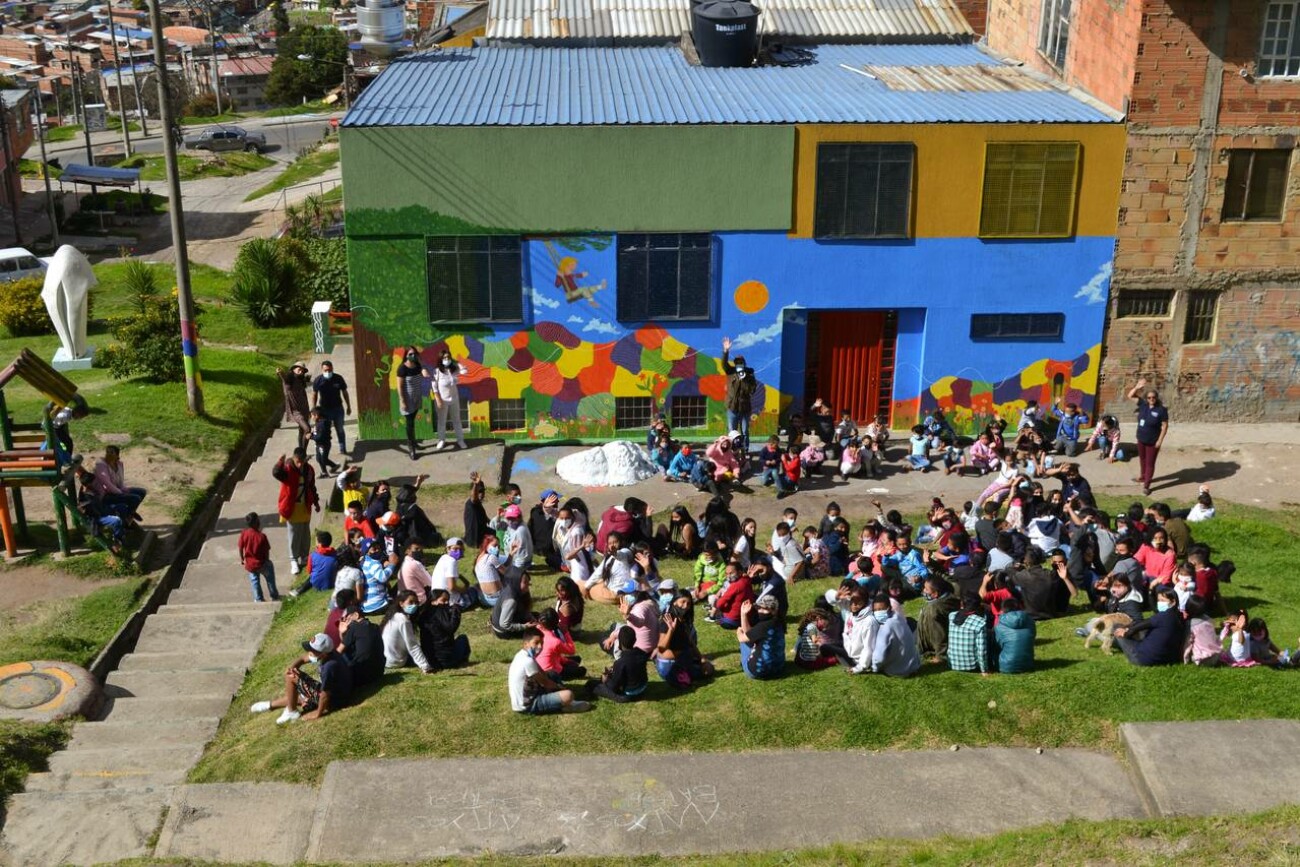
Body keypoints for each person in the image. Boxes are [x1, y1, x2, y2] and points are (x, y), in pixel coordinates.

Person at [249, 632, 354, 724]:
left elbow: (325, 695)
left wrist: (317, 714)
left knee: (291, 677)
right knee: (297, 687)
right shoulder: (330, 654)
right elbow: (303, 658)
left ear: (323, 653)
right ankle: (270, 705)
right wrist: (293, 667)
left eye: (313, 650)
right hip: (336, 694)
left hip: (334, 701)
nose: (310, 652)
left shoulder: (329, 667)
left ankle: (291, 712)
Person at [507, 627, 591, 715]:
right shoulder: (528, 661)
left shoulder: (522, 655)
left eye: (542, 643)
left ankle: (558, 699)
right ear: (526, 644)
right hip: (528, 704)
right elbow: (545, 683)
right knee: (568, 695)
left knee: (552, 673)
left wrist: (551, 681)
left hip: (529, 692)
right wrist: (559, 687)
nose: (540, 646)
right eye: (536, 643)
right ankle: (566, 705)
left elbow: (542, 672)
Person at [272, 449, 319, 576]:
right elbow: (276, 473)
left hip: (305, 506)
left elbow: (312, 487)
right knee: (293, 534)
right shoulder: (287, 470)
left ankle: (304, 556)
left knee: (305, 532)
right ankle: (293, 559)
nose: (300, 465)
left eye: (302, 462)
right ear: (293, 459)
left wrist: (316, 502)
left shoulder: (309, 470)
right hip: (291, 507)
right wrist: (280, 462)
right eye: (298, 462)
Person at [1114, 587, 1184, 666]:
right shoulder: (1178, 616)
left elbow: (1137, 627)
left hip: (1142, 659)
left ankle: (1115, 643)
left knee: (1117, 628)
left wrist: (1125, 633)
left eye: (1163, 601)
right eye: (1159, 600)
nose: (1160, 603)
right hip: (1167, 659)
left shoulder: (1162, 616)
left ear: (1173, 602)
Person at [1127, 378, 1169, 496]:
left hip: (1153, 441)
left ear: (1156, 398)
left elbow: (1165, 426)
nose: (1151, 399)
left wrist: (1160, 440)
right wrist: (1137, 387)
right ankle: (1143, 477)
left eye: (1153, 398)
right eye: (1149, 397)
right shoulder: (1143, 404)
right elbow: (1130, 395)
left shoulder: (1161, 410)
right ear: (1146, 398)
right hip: (1141, 438)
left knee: (1150, 463)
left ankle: (1147, 486)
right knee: (1142, 459)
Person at [586, 626, 648, 703]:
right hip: (643, 688)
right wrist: (615, 671)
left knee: (591, 684)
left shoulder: (620, 663)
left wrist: (605, 680)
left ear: (620, 642)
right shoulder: (641, 653)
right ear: (635, 640)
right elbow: (632, 668)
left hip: (628, 695)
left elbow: (613, 687)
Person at [720, 336, 757, 458]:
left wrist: (744, 379)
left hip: (745, 409)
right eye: (737, 363)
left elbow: (752, 391)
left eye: (741, 363)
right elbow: (723, 364)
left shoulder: (749, 376)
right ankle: (732, 451)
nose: (739, 365)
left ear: (744, 364)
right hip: (732, 408)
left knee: (745, 431)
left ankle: (745, 451)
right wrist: (726, 351)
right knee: (732, 432)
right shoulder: (730, 372)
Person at [382, 590, 434, 674]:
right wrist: (426, 667)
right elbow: (412, 646)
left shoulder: (394, 617)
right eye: (410, 602)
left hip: (386, 660)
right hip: (396, 661)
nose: (414, 605)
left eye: (416, 603)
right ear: (401, 603)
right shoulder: (404, 621)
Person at [868, 595, 921, 677]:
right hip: (914, 666)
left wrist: (874, 667)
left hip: (898, 671)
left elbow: (879, 656)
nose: (878, 612)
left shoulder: (886, 626)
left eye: (881, 609)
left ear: (889, 608)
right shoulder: (899, 618)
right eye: (876, 610)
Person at [419, 589, 472, 669]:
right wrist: (456, 612)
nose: (446, 603)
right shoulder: (439, 611)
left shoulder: (424, 614)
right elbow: (451, 628)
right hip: (446, 660)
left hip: (430, 660)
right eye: (443, 600)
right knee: (462, 638)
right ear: (433, 601)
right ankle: (462, 661)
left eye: (447, 600)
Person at [91, 445, 147, 521]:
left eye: (111, 452)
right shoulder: (101, 465)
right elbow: (107, 485)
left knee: (142, 492)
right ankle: (127, 518)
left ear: (117, 455)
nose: (108, 454)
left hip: (117, 491)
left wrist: (124, 490)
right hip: (106, 495)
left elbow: (120, 482)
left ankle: (130, 512)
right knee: (135, 498)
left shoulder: (119, 465)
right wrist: (120, 492)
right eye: (107, 452)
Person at [737, 595, 785, 679]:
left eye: (765, 609)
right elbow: (751, 634)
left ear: (773, 610)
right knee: (751, 639)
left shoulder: (763, 626)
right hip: (778, 668)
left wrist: (738, 631)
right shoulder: (780, 621)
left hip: (758, 671)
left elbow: (742, 638)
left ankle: (745, 663)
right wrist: (744, 614)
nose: (760, 611)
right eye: (759, 608)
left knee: (744, 642)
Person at [430, 347, 469, 451]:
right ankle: (441, 440)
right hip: (442, 400)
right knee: (442, 421)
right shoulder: (437, 371)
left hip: (454, 399)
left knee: (457, 420)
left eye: (448, 357)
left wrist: (457, 363)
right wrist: (437, 399)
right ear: (441, 359)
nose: (446, 359)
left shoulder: (454, 369)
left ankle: (460, 440)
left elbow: (465, 371)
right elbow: (434, 387)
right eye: (444, 357)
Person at [310, 359, 351, 455]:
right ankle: (323, 449)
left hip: (338, 409)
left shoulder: (338, 379)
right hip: (324, 410)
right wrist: (314, 409)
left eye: (329, 370)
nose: (327, 372)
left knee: (340, 429)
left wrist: (348, 406)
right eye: (325, 370)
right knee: (323, 430)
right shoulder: (318, 380)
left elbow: (345, 393)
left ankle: (342, 448)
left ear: (332, 369)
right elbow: (314, 394)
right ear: (322, 370)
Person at [395, 346, 428, 461]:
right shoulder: (402, 368)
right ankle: (411, 448)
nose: (413, 356)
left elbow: (425, 374)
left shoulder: (418, 366)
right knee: (409, 424)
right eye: (410, 354)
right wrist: (402, 400)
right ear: (406, 355)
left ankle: (414, 442)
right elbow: (399, 386)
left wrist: (422, 364)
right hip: (407, 400)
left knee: (413, 422)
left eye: (414, 354)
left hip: (417, 398)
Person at [338, 607, 385, 687]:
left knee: (337, 657)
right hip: (379, 672)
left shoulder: (354, 628)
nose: (345, 621)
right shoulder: (375, 627)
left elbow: (339, 651)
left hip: (362, 677)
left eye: (347, 618)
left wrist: (340, 631)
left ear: (356, 615)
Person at [238, 512, 278, 602]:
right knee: (270, 578)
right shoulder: (262, 536)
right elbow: (266, 550)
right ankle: (274, 595)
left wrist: (242, 559)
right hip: (262, 563)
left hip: (250, 565)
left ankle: (258, 598)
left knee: (254, 581)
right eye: (258, 520)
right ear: (256, 522)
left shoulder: (244, 533)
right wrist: (267, 560)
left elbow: (240, 547)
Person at [917, 576, 959, 662]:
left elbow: (938, 633)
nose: (924, 591)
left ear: (935, 593)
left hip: (939, 645)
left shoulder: (935, 609)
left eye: (926, 589)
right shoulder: (942, 600)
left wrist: (940, 656)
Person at [536, 608, 585, 681]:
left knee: (577, 659)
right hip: (552, 671)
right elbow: (572, 650)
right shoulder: (555, 641)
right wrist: (566, 633)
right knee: (582, 670)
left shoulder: (537, 630)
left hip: (538, 665)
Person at [947, 592, 990, 675]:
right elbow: (982, 650)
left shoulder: (951, 616)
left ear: (962, 604)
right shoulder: (980, 622)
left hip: (952, 664)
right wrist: (984, 670)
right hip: (971, 666)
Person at [430, 537, 477, 609]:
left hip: (438, 597)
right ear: (448, 549)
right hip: (451, 602)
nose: (458, 551)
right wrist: (463, 590)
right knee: (475, 591)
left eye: (460, 549)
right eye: (455, 549)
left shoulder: (443, 558)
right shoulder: (452, 562)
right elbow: (451, 587)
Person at [994, 598, 1036, 673]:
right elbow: (1033, 637)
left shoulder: (999, 625)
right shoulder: (1030, 621)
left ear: (1003, 609)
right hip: (1028, 665)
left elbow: (998, 644)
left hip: (1005, 667)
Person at [277, 362, 313, 450]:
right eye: (299, 369)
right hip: (296, 412)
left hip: (304, 409)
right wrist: (280, 373)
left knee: (302, 431)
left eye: (303, 371)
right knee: (307, 429)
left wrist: (308, 411)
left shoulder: (300, 381)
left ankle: (301, 451)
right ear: (293, 369)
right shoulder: (289, 380)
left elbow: (304, 397)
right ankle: (302, 453)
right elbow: (284, 378)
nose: (301, 371)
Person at [490, 570, 534, 638]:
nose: (528, 585)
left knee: (538, 617)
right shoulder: (511, 601)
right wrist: (524, 626)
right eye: (525, 582)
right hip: (504, 631)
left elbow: (524, 609)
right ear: (517, 582)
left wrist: (531, 617)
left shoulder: (512, 587)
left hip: (512, 618)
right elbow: (504, 624)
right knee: (535, 630)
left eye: (528, 582)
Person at [1182, 594, 1220, 666]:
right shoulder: (1209, 619)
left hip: (1203, 659)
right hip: (1216, 655)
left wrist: (1185, 657)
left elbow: (1188, 642)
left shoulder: (1191, 624)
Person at [529, 489, 562, 570]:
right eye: (554, 500)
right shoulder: (549, 515)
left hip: (536, 548)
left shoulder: (534, 511)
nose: (558, 502)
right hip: (544, 550)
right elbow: (546, 516)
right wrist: (547, 508)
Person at [360, 545, 397, 615]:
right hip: (379, 605)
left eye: (378, 548)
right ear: (367, 552)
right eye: (374, 549)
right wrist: (393, 564)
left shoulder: (363, 563)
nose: (377, 550)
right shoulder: (373, 563)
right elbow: (382, 577)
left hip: (366, 608)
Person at [501, 504, 533, 580]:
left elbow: (521, 555)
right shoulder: (514, 525)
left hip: (517, 561)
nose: (510, 521)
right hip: (510, 557)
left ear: (519, 517)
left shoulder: (519, 532)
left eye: (513, 518)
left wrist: (515, 571)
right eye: (508, 518)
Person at [308, 408, 342, 478]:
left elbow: (320, 436)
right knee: (319, 458)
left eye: (312, 416)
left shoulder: (323, 424)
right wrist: (311, 434)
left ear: (316, 415)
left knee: (323, 459)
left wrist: (310, 437)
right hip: (319, 444)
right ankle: (333, 466)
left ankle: (325, 472)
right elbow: (316, 432)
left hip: (323, 445)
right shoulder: (318, 422)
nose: (311, 418)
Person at [474, 534, 506, 607]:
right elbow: (506, 573)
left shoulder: (478, 558)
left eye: (498, 546)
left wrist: (511, 555)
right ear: (486, 544)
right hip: (498, 599)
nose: (497, 548)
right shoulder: (491, 557)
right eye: (495, 545)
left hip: (484, 600)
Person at [462, 474, 490, 547]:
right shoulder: (472, 503)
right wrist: (475, 484)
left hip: (482, 534)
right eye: (479, 491)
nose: (481, 494)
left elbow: (486, 519)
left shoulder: (479, 505)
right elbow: (474, 498)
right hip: (475, 541)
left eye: (482, 491)